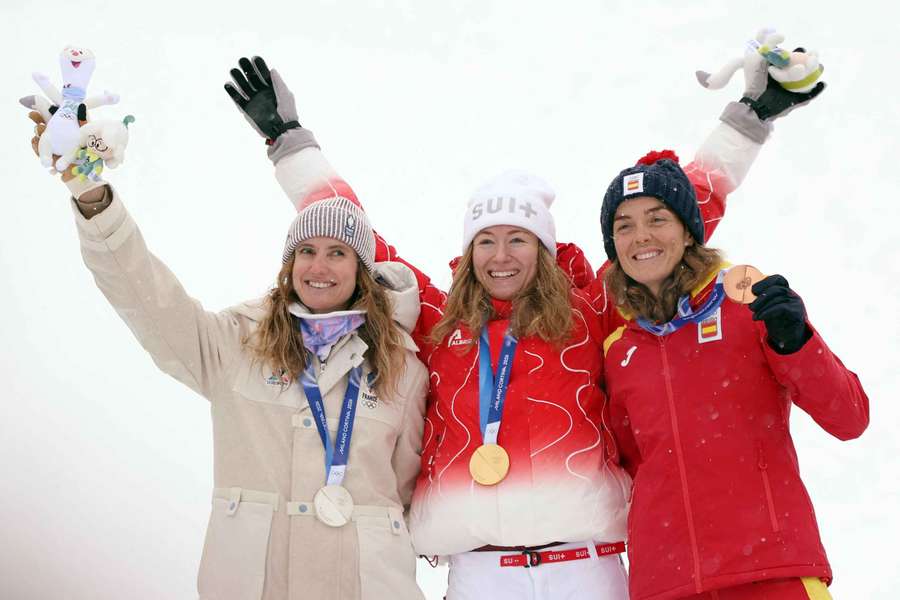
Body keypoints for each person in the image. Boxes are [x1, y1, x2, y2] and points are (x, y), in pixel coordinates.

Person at [223, 33, 825, 599]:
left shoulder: (591, 311)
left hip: (585, 570)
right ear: (470, 252)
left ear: (543, 249)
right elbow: (356, 236)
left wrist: (749, 119)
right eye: (487, 240)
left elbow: (677, 215)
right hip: (479, 574)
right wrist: (288, 140)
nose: (502, 255)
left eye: (520, 239)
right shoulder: (440, 323)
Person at [27, 100, 429, 599]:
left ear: (361, 271)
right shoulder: (237, 345)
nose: (318, 266)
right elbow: (147, 297)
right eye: (306, 250)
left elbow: (405, 491)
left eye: (337, 253)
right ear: (289, 263)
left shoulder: (402, 370)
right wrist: (93, 199)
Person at [598, 152, 869, 600]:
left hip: (772, 571)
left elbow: (850, 417)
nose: (640, 235)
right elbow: (631, 468)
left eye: (657, 218)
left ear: (688, 231)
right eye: (624, 225)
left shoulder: (750, 308)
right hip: (666, 583)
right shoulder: (619, 350)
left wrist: (795, 341)